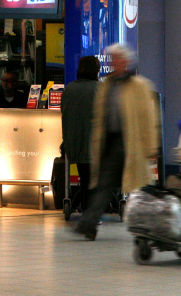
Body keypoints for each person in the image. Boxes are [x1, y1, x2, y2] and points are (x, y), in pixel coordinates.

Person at [74, 43, 158, 240]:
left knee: (139, 187)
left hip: (132, 143)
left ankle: (146, 226)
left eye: (118, 59)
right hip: (110, 142)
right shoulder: (107, 85)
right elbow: (99, 116)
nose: (115, 63)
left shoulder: (140, 86)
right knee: (104, 184)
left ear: (126, 62)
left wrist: (151, 146)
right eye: (113, 59)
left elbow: (149, 118)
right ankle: (89, 223)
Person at [61, 56, 100, 212]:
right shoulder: (101, 90)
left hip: (74, 143)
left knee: (85, 177)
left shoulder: (69, 89)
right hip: (95, 145)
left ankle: (82, 205)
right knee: (93, 179)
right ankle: (89, 209)